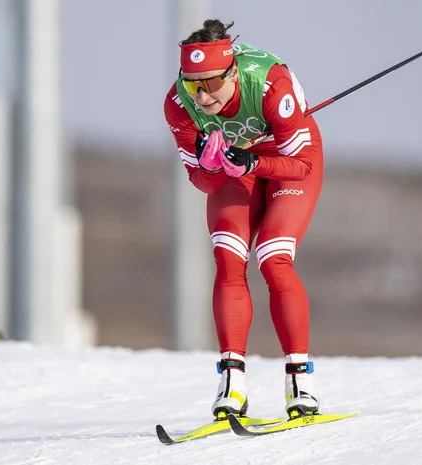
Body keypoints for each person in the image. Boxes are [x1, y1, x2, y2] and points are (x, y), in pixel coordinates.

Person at [163, 19, 324, 419]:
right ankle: (232, 383)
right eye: (193, 85)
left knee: (273, 257)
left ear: (233, 72)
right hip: (236, 166)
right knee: (228, 256)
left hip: (285, 161)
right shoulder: (179, 104)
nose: (202, 96)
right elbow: (204, 183)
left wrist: (253, 161)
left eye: (212, 83)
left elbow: (302, 166)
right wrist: (209, 163)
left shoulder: (270, 85)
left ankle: (299, 382)